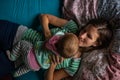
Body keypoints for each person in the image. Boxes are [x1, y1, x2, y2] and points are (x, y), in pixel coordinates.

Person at [0, 14, 113, 80]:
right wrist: (47, 33)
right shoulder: (72, 28)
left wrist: (53, 65)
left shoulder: (74, 65)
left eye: (89, 36)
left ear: (96, 44)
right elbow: (44, 17)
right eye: (84, 30)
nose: (81, 35)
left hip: (18, 60)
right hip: (16, 33)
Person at [6, 32, 80, 77]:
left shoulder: (52, 44)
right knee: (26, 68)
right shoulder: (61, 56)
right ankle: (16, 73)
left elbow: (47, 43)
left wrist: (58, 37)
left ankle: (12, 56)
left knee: (21, 43)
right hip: (34, 67)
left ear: (61, 38)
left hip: (30, 54)